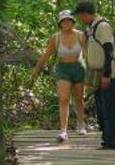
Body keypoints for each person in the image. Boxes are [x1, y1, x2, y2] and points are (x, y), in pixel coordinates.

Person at [33, 10, 89, 142]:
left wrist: (93, 70)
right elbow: (47, 54)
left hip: (78, 67)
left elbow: (88, 52)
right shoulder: (56, 37)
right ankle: (63, 130)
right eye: (63, 21)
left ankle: (81, 123)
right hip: (63, 69)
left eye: (69, 20)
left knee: (79, 99)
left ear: (73, 22)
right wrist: (37, 68)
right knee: (63, 98)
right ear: (60, 23)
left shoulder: (80, 35)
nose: (66, 22)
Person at [74, 0, 115, 149]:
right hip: (97, 74)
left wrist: (107, 75)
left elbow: (108, 50)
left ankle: (113, 143)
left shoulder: (102, 26)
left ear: (86, 14)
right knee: (102, 108)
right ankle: (107, 140)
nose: (80, 19)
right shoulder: (91, 28)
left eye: (80, 16)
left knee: (108, 108)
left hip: (109, 74)